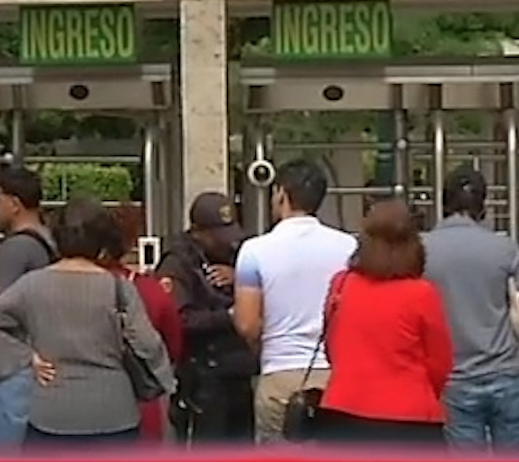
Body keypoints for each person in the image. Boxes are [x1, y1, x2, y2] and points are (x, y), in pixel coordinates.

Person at [0, 198, 173, 449]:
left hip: (51, 411)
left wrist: (27, 356)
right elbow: (148, 344)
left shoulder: (32, 284)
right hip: (114, 411)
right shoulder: (119, 288)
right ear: (101, 240)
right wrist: (166, 379)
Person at [234, 161, 358, 442]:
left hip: (279, 372)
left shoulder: (254, 251)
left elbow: (247, 324)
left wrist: (264, 347)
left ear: (281, 193)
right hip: (336, 377)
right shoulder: (349, 247)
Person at [316, 200, 453, 446]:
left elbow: (331, 347)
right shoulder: (422, 293)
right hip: (411, 417)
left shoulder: (342, 284)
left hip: (343, 411)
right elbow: (439, 362)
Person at [422, 168, 519, 453]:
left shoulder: (422, 250)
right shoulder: (504, 248)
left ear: (444, 202)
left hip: (454, 375)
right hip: (506, 370)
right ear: (483, 205)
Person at [154, 191, 258, 445]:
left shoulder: (237, 256)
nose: (228, 243)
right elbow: (179, 320)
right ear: (199, 232)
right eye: (219, 236)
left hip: (239, 373)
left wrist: (239, 277)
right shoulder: (178, 263)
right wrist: (227, 317)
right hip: (203, 377)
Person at [0, 165, 57, 450]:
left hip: (12, 369)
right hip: (39, 361)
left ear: (15, 204)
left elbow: (0, 311)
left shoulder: (16, 248)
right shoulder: (49, 241)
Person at [99, 213, 185, 446]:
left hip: (75, 405)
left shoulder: (64, 288)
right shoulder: (151, 290)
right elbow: (173, 348)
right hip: (140, 399)